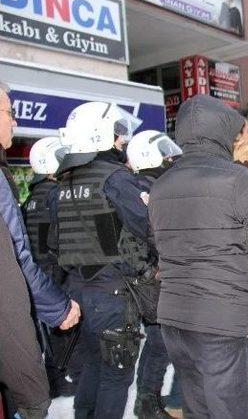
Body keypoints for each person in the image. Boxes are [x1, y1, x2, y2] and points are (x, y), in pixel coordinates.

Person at [148, 95, 248, 418]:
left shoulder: (160, 185)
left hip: (175, 321)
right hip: (223, 322)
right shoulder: (237, 179)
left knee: (198, 411)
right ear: (222, 133)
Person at [56, 101, 150, 419]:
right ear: (101, 134)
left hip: (77, 292)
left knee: (94, 367)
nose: (123, 140)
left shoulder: (66, 181)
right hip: (111, 293)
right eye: (118, 133)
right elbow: (147, 226)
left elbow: (57, 241)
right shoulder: (115, 178)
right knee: (117, 374)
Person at [0, 81, 80, 419]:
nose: (15, 122)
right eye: (9, 112)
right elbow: (14, 261)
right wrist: (57, 306)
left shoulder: (29, 193)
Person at [127, 130, 182, 419]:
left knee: (159, 339)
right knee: (160, 340)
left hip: (157, 274)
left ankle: (149, 397)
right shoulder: (146, 189)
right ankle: (147, 401)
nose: (171, 158)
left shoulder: (151, 185)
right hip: (155, 277)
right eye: (165, 152)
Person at [24, 137, 79, 398]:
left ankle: (55, 376)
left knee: (46, 332)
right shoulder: (54, 194)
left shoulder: (31, 197)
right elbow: (58, 236)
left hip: (38, 270)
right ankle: (60, 377)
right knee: (64, 327)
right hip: (54, 271)